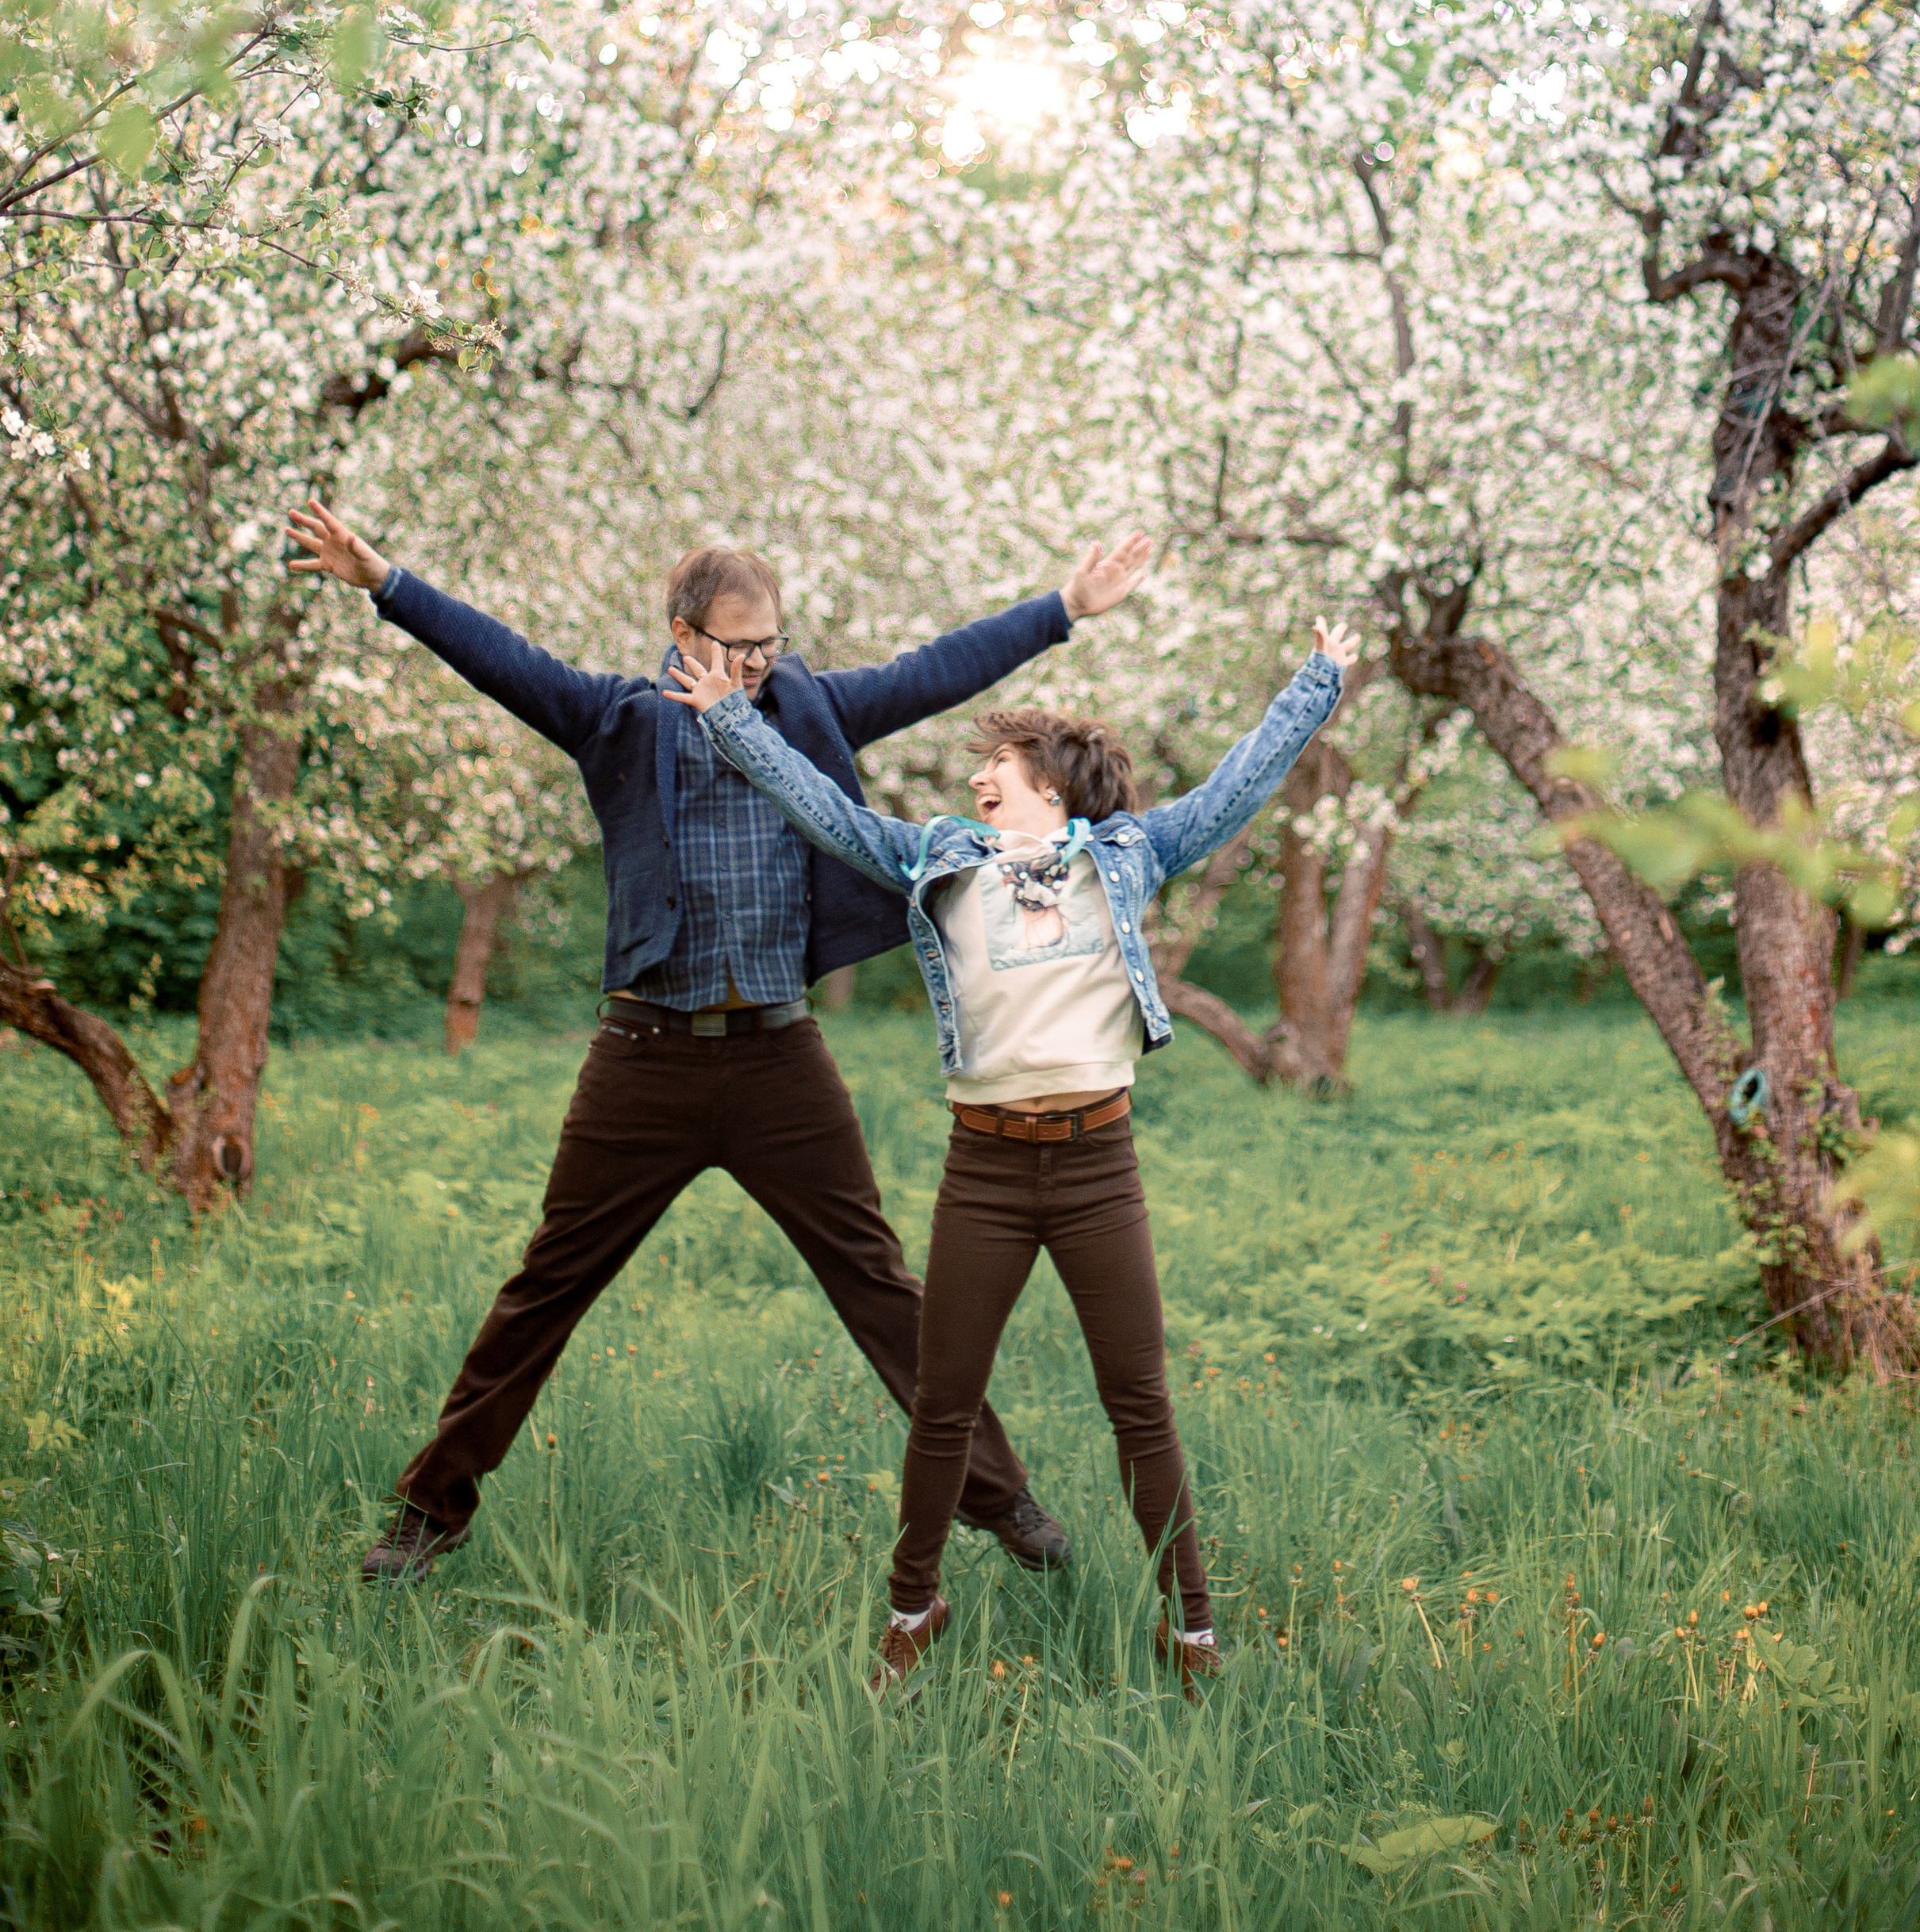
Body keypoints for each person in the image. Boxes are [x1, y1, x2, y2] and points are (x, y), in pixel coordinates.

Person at [282, 498, 1154, 1582]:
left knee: (880, 1282)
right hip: (643, 1058)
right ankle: (430, 1509)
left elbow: (939, 668)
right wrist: (387, 583)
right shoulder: (619, 718)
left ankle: (1000, 1498)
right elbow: (500, 659)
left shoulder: (808, 710)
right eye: (738, 646)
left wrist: (1066, 606)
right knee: (547, 1285)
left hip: (779, 1060)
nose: (757, 665)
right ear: (685, 633)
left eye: (770, 645)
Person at [673, 613, 1358, 1698]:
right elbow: (824, 807)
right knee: (945, 1399)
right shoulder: (939, 858)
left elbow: (1236, 790)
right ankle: (914, 1604)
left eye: (996, 765)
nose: (978, 780)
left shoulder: (1128, 857)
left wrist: (1318, 680)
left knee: (1137, 1400)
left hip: (1097, 1170)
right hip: (983, 1172)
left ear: (1053, 784)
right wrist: (731, 725)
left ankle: (1191, 1627)